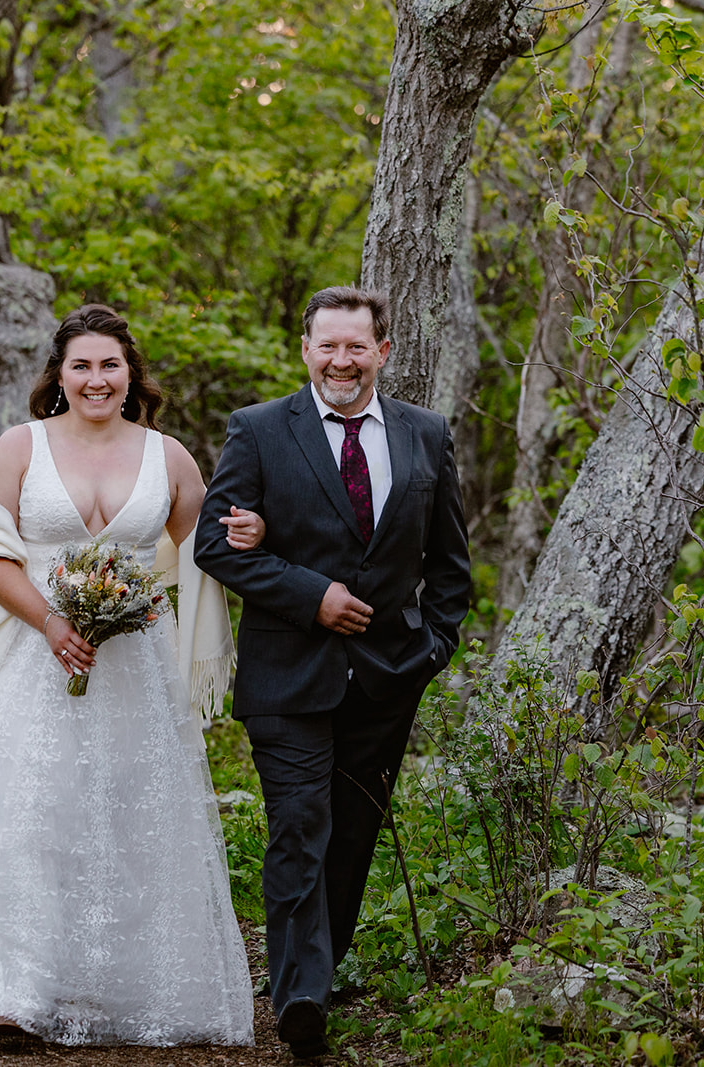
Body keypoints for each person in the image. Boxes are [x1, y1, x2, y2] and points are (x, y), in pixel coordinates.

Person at [0, 304, 259, 1046]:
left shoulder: (168, 456)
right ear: (59, 375)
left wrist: (249, 531)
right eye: (82, 365)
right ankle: (12, 992)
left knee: (127, 826)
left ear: (131, 373)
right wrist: (49, 620)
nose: (97, 378)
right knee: (30, 819)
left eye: (111, 364)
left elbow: (210, 543)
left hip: (135, 667)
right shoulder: (20, 446)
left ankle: (116, 984)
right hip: (31, 661)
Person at [194, 286, 471, 1059]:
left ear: (383, 351)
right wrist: (312, 596)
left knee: (351, 838)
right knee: (297, 829)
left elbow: (451, 565)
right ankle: (301, 993)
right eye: (328, 346)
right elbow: (214, 546)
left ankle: (320, 962)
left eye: (357, 347)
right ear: (306, 350)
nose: (341, 360)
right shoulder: (256, 431)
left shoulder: (426, 435)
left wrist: (432, 650)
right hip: (287, 672)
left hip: (389, 677)